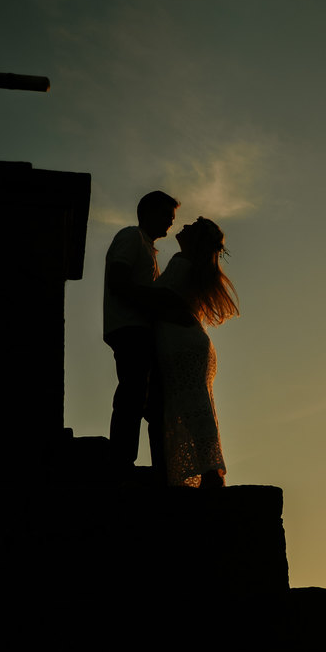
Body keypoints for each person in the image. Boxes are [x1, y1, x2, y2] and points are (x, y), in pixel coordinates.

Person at [152, 217, 239, 488]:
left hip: (180, 343)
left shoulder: (182, 263)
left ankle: (209, 472)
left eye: (192, 226)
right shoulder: (193, 267)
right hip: (192, 343)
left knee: (190, 406)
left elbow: (157, 298)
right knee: (197, 406)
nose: (185, 226)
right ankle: (210, 471)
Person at [102, 190, 179, 476]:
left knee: (151, 398)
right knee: (133, 393)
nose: (170, 222)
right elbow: (118, 281)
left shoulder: (147, 247)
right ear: (149, 213)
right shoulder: (131, 237)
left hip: (141, 330)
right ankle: (121, 461)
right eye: (167, 216)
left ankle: (160, 466)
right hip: (130, 328)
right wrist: (154, 301)